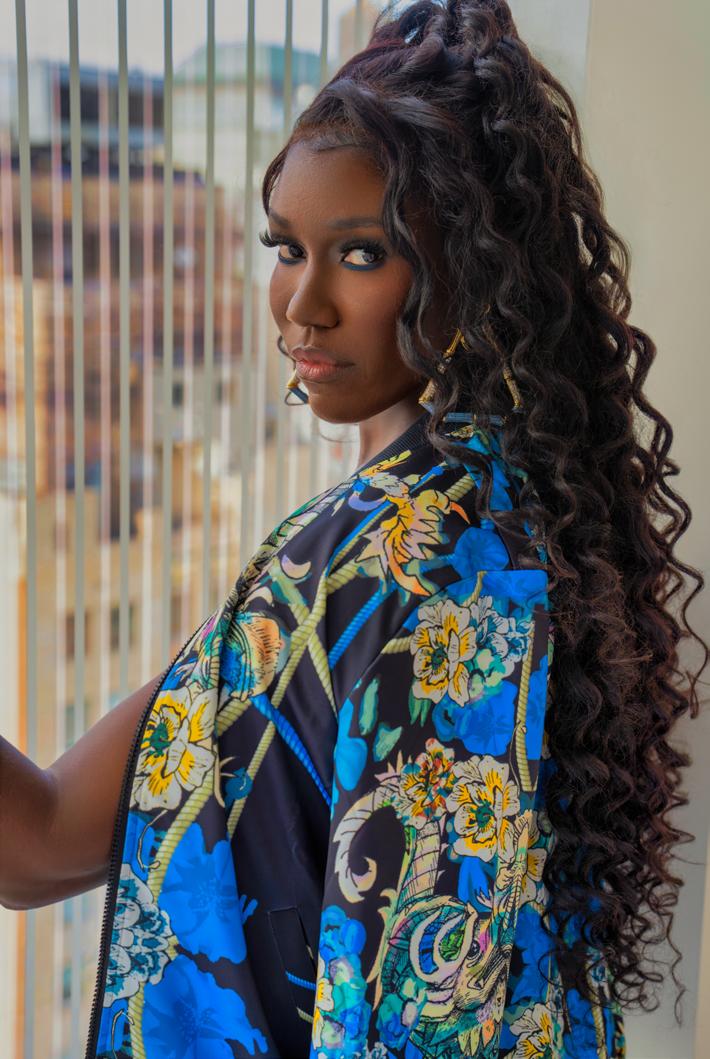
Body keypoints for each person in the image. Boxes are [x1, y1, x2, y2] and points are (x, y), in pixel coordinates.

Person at [1, 1, 707, 1056]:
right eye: (285, 247)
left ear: (472, 264)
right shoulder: (406, 529)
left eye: (363, 254)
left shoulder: (427, 557)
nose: (302, 304)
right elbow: (40, 844)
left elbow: (424, 1017)